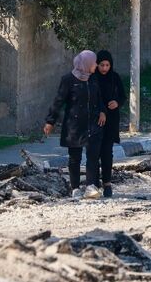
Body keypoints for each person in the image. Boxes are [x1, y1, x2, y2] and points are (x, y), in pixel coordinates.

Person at [44, 50, 106, 199]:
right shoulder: (68, 80)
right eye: (93, 62)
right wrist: (50, 121)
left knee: (93, 156)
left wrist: (103, 111)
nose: (96, 65)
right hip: (75, 125)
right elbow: (58, 101)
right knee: (75, 158)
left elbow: (99, 98)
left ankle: (91, 186)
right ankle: (75, 188)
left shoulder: (93, 79)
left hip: (93, 124)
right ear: (85, 63)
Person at [94, 50, 127, 198]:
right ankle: (93, 183)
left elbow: (123, 96)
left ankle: (107, 183)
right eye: (102, 65)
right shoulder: (92, 78)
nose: (104, 68)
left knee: (107, 153)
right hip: (95, 120)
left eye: (107, 65)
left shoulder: (115, 77)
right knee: (94, 153)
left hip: (111, 120)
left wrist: (117, 103)